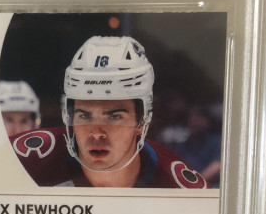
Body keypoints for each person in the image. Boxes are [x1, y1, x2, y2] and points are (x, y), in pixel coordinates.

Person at [11, 36, 209, 188]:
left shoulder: (178, 186)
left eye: (115, 117)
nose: (96, 133)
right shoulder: (24, 159)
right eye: (84, 115)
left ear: (142, 121)